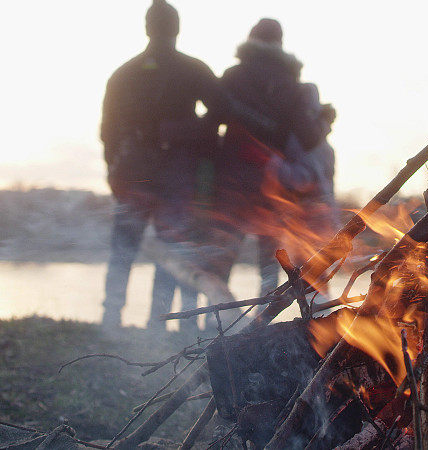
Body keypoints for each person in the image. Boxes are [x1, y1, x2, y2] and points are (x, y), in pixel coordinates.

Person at [100, 0, 275, 330]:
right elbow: (223, 110)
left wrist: (114, 169)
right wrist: (197, 132)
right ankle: (154, 319)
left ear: (148, 27)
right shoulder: (188, 69)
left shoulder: (124, 74)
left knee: (131, 248)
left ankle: (116, 318)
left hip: (144, 173)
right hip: (168, 177)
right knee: (168, 249)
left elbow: (107, 132)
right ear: (175, 28)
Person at [211, 19, 335, 296]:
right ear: (280, 43)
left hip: (231, 180)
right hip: (273, 183)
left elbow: (213, 119)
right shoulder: (293, 85)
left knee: (223, 254)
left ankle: (211, 323)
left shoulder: (233, 75)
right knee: (268, 260)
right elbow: (307, 137)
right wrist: (324, 120)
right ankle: (261, 320)